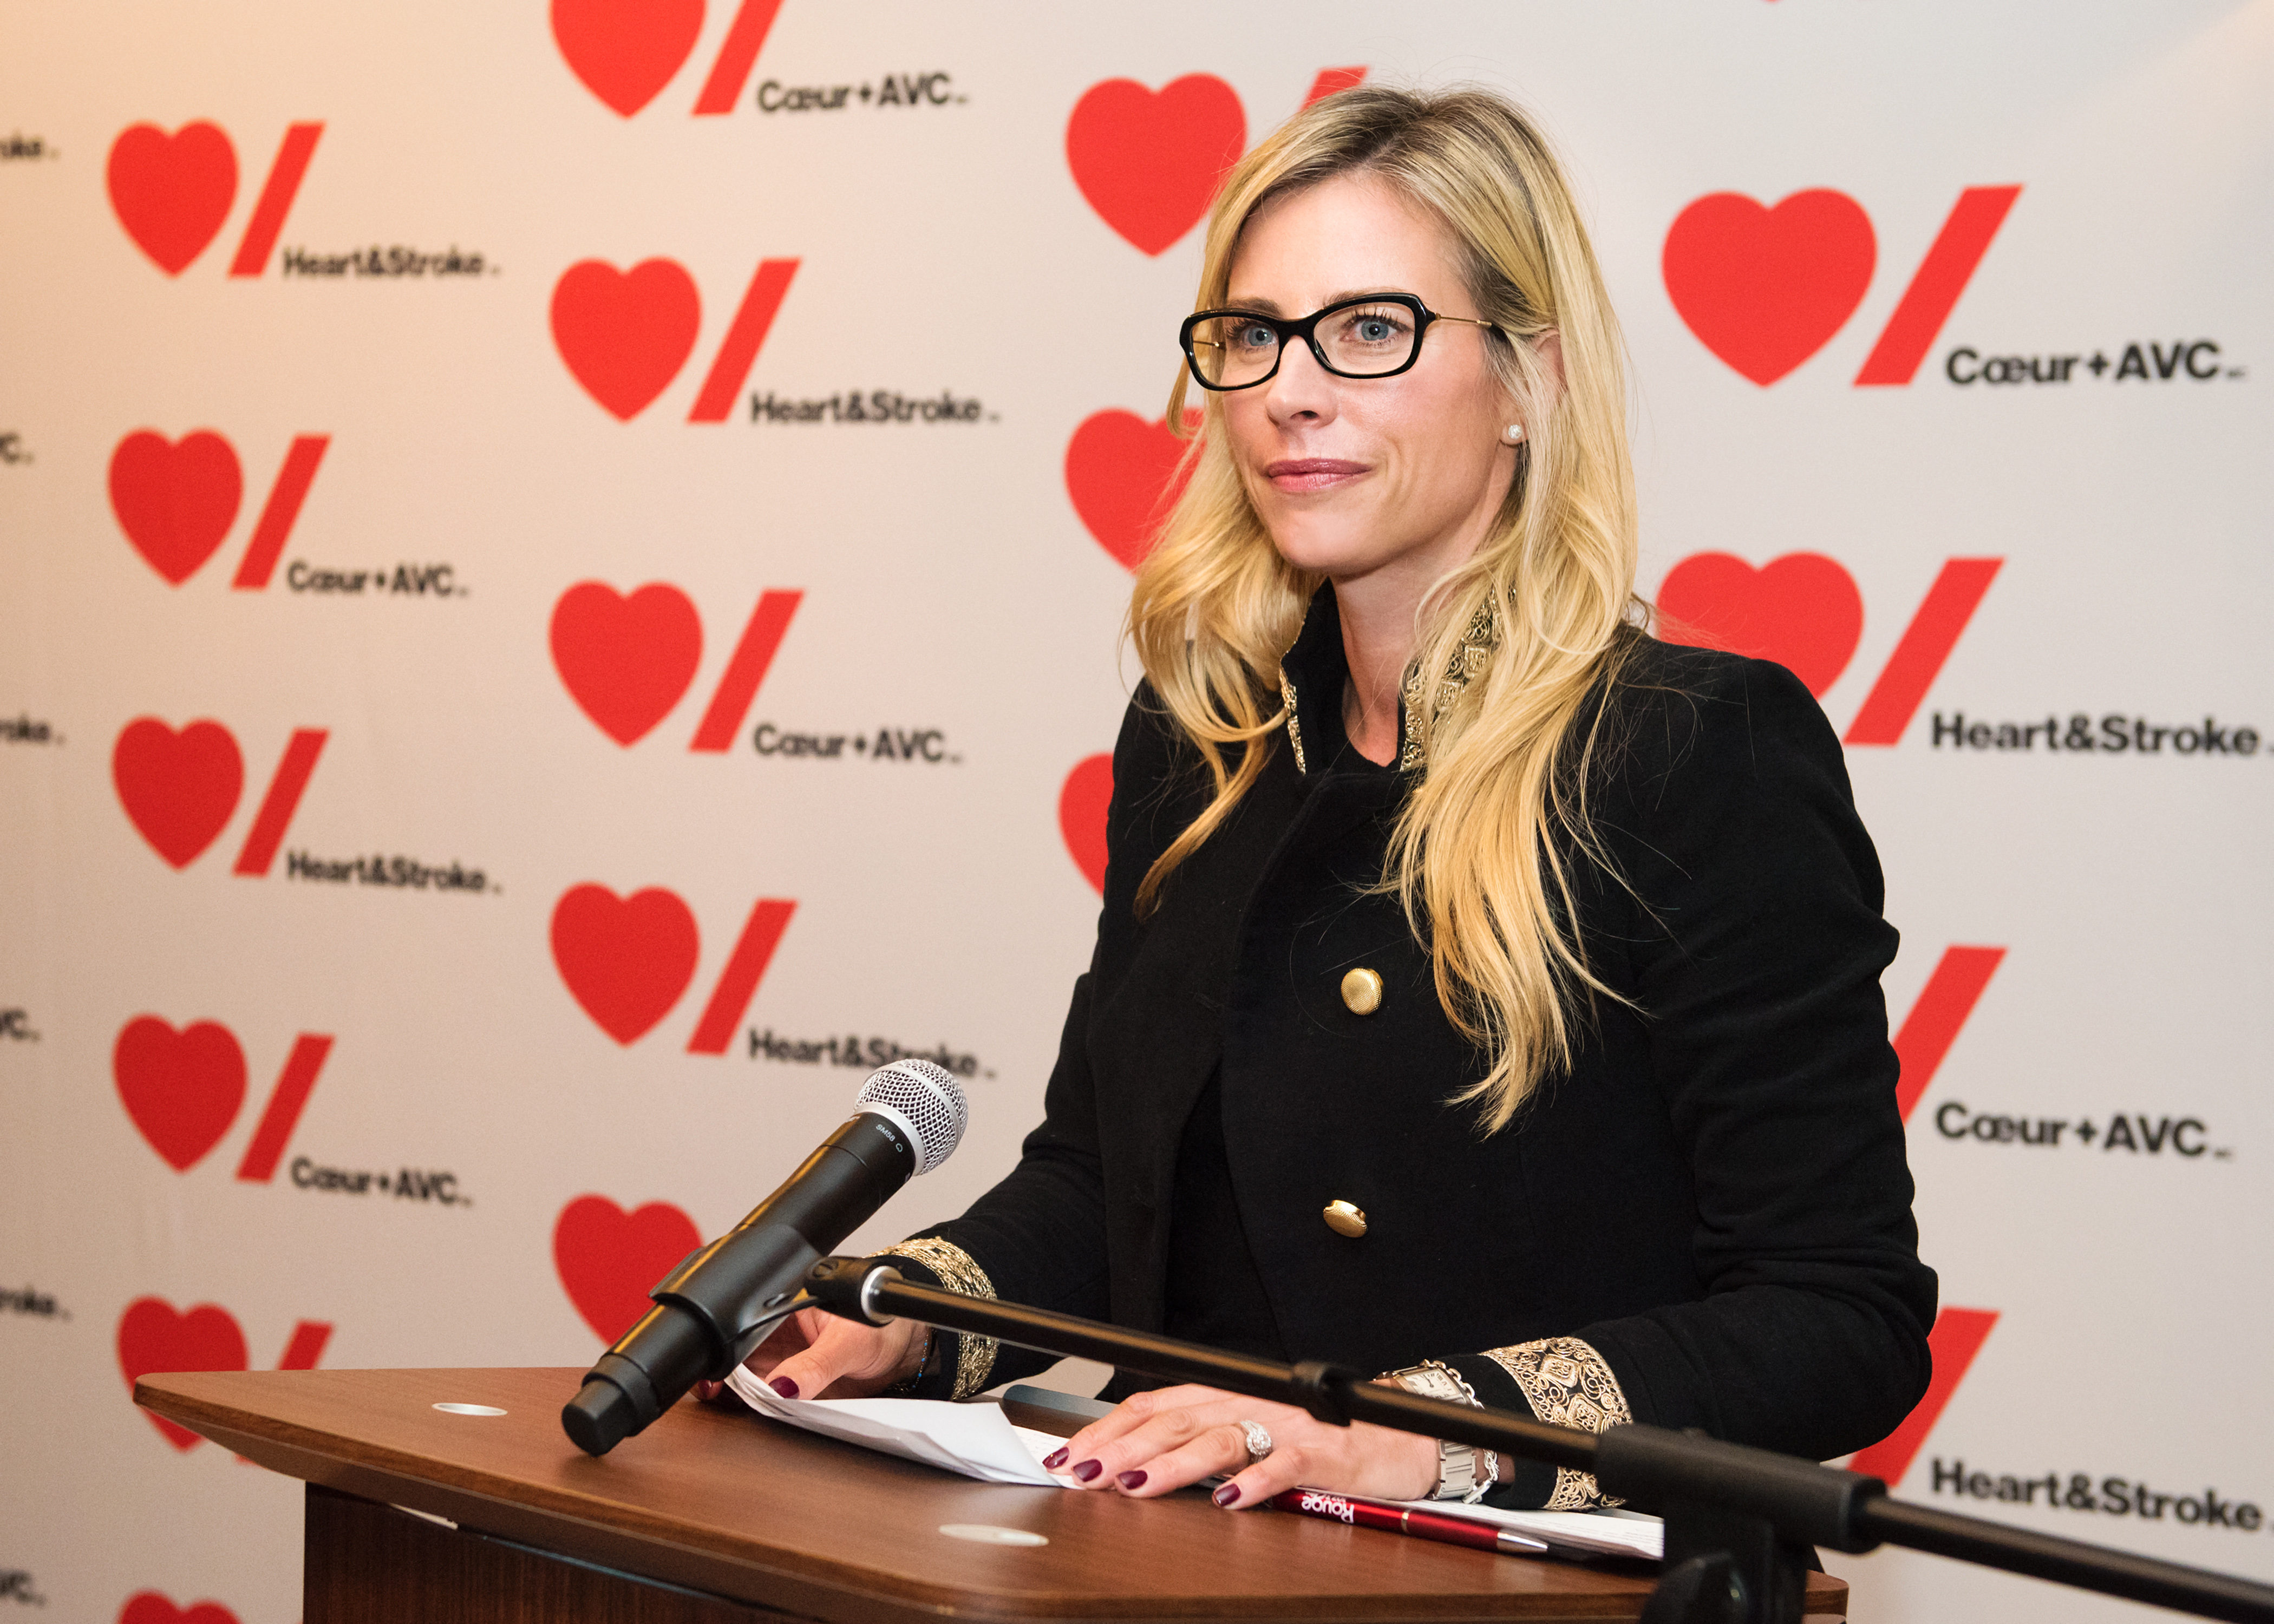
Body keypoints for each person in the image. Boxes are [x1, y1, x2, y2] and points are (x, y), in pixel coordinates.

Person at [713, 84, 1936, 1514]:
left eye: (1371, 330)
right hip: (1171, 1568)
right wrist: (909, 1312)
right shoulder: (1203, 738)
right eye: (1250, 336)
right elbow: (1108, 1189)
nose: (1291, 389)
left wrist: (1410, 1437)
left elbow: (1836, 1319)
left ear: (1530, 380)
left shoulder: (1695, 752)